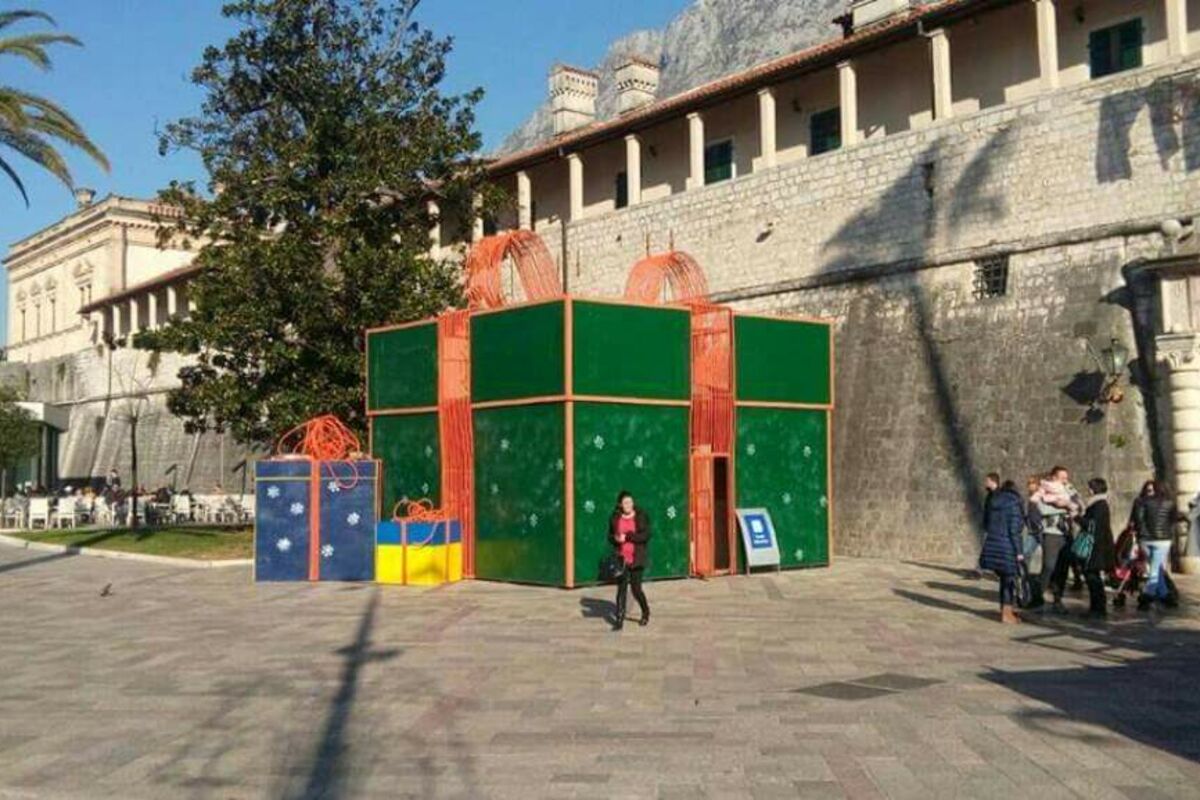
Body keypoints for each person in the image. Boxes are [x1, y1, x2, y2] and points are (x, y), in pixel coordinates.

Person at [979, 479, 1026, 624]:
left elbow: (986, 524)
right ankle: (1006, 614)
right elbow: (1014, 530)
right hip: (1008, 547)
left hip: (993, 544)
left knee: (1005, 579)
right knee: (1009, 580)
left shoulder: (993, 501)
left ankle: (1006, 609)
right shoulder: (1014, 504)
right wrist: (1019, 551)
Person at [608, 490, 651, 631]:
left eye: (630, 502)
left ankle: (645, 612)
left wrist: (628, 537)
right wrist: (616, 538)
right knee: (621, 589)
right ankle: (619, 619)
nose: (628, 505)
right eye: (625, 502)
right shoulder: (615, 518)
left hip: (637, 558)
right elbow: (610, 536)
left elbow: (645, 536)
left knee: (636, 589)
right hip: (622, 559)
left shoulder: (641, 516)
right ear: (620, 504)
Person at [1134, 479, 1179, 611]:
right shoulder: (1170, 503)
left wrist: (1141, 536)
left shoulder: (1143, 502)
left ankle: (1163, 595)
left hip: (1146, 540)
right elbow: (1172, 521)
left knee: (1155, 567)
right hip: (1163, 540)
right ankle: (1149, 596)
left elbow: (1139, 520)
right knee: (1155, 569)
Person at [1079, 477, 1115, 618]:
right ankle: (1096, 608)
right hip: (1098, 545)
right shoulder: (1100, 504)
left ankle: (1098, 609)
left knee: (1093, 577)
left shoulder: (1099, 505)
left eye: (1090, 487)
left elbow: (1092, 525)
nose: (1088, 490)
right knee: (1092, 577)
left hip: (1096, 546)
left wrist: (1077, 517)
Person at [1022, 475, 1046, 609]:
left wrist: (1039, 526)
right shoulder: (1032, 498)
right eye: (1029, 483)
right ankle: (1026, 578)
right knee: (1024, 555)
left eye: (1032, 483)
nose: (1029, 486)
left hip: (1039, 531)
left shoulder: (1039, 497)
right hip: (1033, 531)